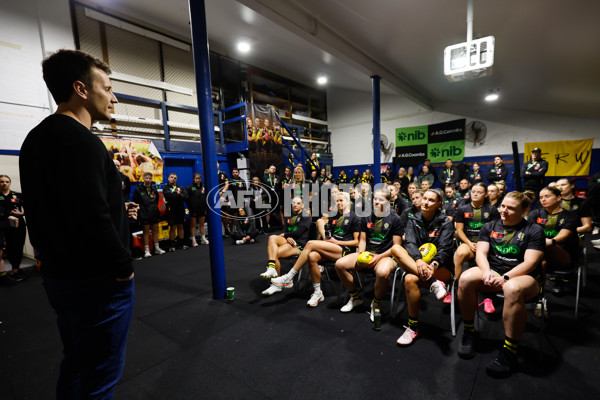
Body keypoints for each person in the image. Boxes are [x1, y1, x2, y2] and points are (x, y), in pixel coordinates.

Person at [19, 49, 138, 398]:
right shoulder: (84, 143)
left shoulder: (35, 140)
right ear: (81, 89)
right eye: (108, 87)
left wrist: (118, 210)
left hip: (59, 277)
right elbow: (91, 217)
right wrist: (123, 268)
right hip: (98, 282)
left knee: (76, 361)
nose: (113, 97)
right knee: (100, 381)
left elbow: (61, 207)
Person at [457, 191, 545, 378]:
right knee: (465, 279)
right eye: (503, 206)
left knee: (511, 289)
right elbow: (481, 253)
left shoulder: (534, 230)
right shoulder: (490, 226)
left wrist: (505, 277)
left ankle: (510, 350)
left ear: (523, 210)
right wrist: (487, 272)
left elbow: (530, 263)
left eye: (510, 208)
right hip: (495, 270)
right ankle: (469, 332)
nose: (504, 211)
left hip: (524, 276)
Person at [267, 192, 361, 306]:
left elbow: (357, 242)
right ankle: (318, 293)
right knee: (312, 256)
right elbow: (328, 232)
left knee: (310, 243)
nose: (339, 203)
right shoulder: (334, 217)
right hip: (332, 246)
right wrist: (327, 237)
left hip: (344, 249)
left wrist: (338, 242)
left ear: (348, 202)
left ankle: (289, 276)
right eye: (337, 201)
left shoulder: (355, 218)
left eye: (341, 201)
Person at [390, 189, 455, 345]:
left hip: (440, 268)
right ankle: (413, 326)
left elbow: (445, 249)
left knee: (410, 277)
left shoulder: (445, 222)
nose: (425, 202)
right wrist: (419, 260)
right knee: (396, 249)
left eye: (431, 200)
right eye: (424, 198)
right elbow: (410, 243)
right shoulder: (413, 219)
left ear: (439, 204)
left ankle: (412, 327)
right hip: (418, 265)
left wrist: (433, 265)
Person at [335, 188, 402, 320]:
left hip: (386, 255)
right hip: (368, 252)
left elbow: (396, 246)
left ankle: (376, 303)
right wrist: (361, 252)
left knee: (382, 273)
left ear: (388, 202)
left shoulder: (395, 219)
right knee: (339, 264)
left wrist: (379, 257)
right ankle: (355, 298)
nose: (376, 202)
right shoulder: (366, 217)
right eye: (375, 199)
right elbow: (363, 240)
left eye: (381, 200)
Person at [453, 183, 501, 308]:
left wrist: (482, 245)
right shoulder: (463, 209)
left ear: (485, 194)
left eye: (479, 192)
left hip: (486, 244)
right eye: (473, 191)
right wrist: (469, 243)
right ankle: (456, 288)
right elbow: (459, 230)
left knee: (490, 258)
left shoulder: (492, 210)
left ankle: (487, 296)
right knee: (459, 253)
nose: (474, 194)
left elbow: (495, 231)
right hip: (469, 243)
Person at [528, 186, 579, 302]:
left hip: (563, 255)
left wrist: (550, 241)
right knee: (541, 261)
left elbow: (563, 235)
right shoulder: (535, 214)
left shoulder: (570, 216)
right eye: (541, 197)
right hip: (540, 255)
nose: (543, 200)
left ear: (558, 197)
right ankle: (540, 298)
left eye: (547, 196)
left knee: (546, 246)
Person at [259, 196, 311, 280]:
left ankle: (276, 282)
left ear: (302, 205)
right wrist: (287, 237)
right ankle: (272, 268)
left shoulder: (306, 216)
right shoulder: (288, 215)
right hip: (288, 240)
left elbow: (298, 233)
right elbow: (284, 231)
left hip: (298, 244)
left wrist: (285, 235)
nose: (295, 205)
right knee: (272, 237)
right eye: (293, 203)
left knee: (275, 253)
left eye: (298, 203)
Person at [0, 175, 27, 281]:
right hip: (3, 227)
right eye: (2, 181)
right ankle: (10, 271)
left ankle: (16, 269)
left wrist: (22, 213)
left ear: (10, 183)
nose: (4, 183)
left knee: (18, 247)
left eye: (7, 181)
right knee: (9, 249)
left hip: (18, 225)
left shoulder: (17, 195)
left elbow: (28, 208)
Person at [132, 172, 166, 257]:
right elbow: (135, 201)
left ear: (152, 179)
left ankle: (157, 248)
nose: (148, 180)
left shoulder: (154, 189)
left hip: (154, 213)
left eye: (149, 178)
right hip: (144, 214)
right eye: (146, 178)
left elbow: (157, 200)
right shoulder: (138, 189)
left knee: (155, 231)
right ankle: (147, 250)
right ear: (143, 179)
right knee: (146, 232)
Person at [164, 173, 188, 251]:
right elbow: (169, 196)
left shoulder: (180, 187)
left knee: (180, 226)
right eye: (171, 177)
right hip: (171, 210)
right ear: (168, 178)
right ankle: (172, 245)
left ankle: (182, 243)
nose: (173, 179)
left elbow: (186, 196)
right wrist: (179, 196)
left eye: (175, 178)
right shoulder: (166, 188)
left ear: (176, 179)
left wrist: (176, 195)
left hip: (180, 210)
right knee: (173, 227)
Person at [186, 172, 209, 246]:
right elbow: (186, 198)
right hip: (193, 210)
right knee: (193, 225)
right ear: (193, 179)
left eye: (199, 178)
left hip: (202, 209)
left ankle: (203, 238)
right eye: (196, 178)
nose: (198, 180)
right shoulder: (189, 188)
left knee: (201, 224)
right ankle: (193, 240)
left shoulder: (203, 187)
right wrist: (190, 206)